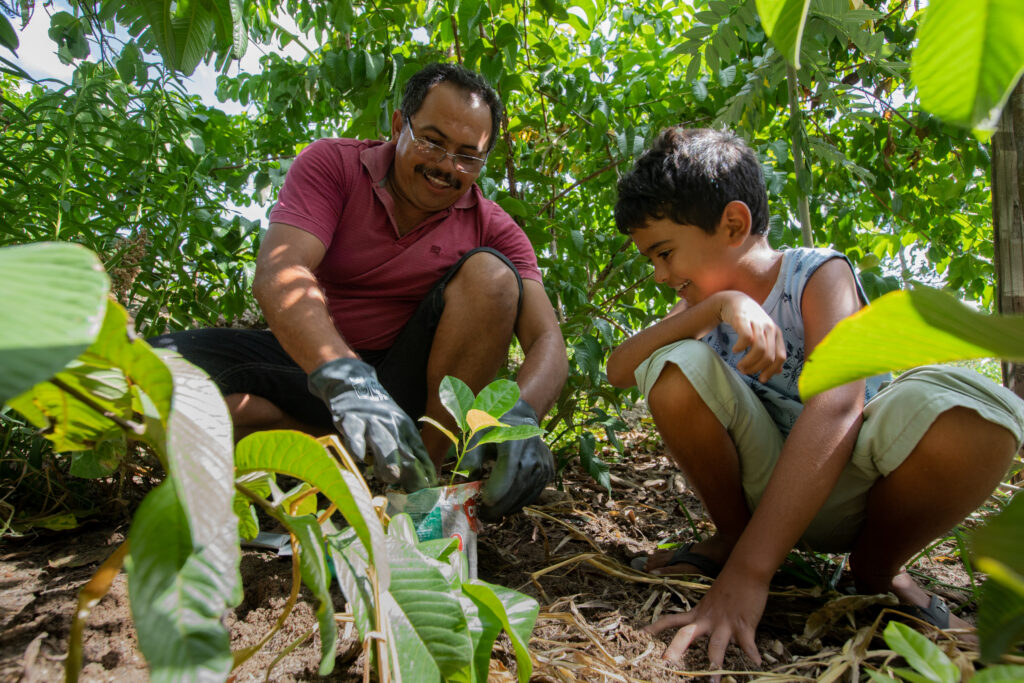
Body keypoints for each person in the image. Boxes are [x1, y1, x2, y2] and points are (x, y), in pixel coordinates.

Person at [605, 126, 1024, 673]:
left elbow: (838, 405)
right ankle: (733, 538)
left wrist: (750, 578)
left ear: (733, 223)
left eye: (664, 253)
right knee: (671, 367)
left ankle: (876, 569)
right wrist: (719, 305)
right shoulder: (704, 307)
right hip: (764, 487)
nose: (660, 275)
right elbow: (619, 369)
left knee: (981, 412)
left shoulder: (815, 274)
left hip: (857, 485)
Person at [151, 63, 567, 521]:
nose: (447, 166)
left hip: (411, 389)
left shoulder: (493, 227)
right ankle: (341, 455)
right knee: (148, 374)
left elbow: (547, 339)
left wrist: (522, 414)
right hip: (317, 366)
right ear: (397, 125)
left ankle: (417, 484)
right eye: (432, 141)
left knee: (492, 275)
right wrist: (346, 375)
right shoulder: (333, 166)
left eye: (468, 156)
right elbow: (281, 271)